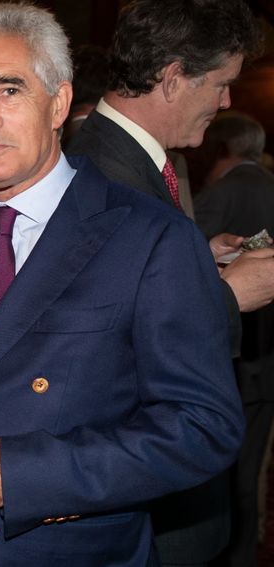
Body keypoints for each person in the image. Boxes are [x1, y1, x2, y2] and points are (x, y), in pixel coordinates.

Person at [0, 3, 243, 564]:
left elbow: (203, 426)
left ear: (59, 104)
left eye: (9, 90)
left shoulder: (149, 236)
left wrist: (19, 474)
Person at [64, 1, 272, 562]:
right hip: (145, 506)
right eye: (222, 83)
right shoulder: (103, 171)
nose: (227, 101)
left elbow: (127, 278)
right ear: (174, 77)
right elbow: (101, 340)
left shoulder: (130, 159)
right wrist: (228, 295)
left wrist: (198, 261)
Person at [193, 112, 274, 567]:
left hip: (230, 357)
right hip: (269, 365)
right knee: (252, 475)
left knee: (222, 475)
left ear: (221, 152)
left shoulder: (219, 194)